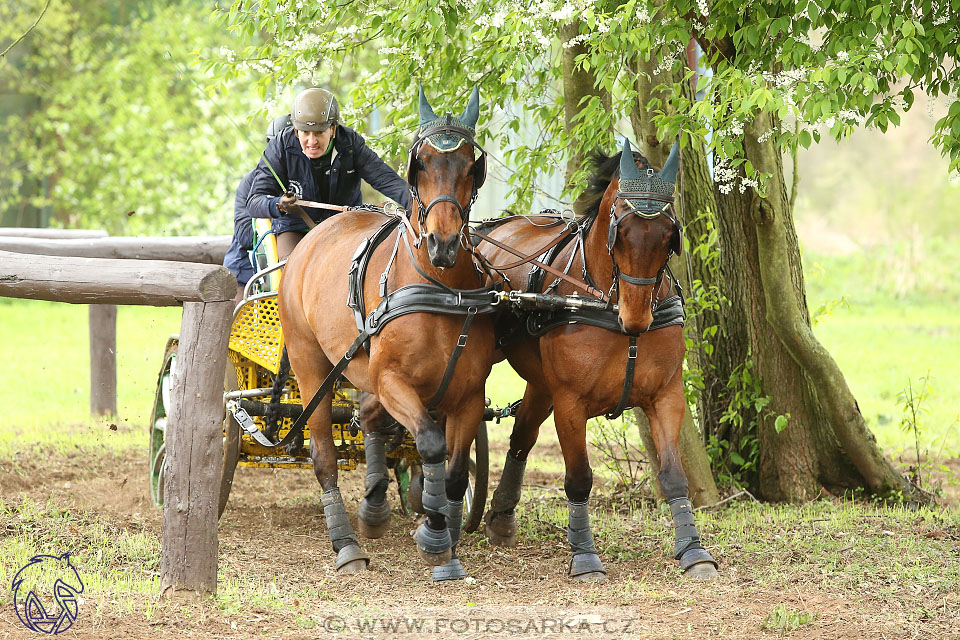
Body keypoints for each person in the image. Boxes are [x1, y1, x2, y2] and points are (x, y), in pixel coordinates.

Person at [246, 87, 411, 260]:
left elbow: (385, 180)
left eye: (319, 132)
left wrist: (417, 204)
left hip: (346, 227)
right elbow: (254, 201)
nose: (312, 141)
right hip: (295, 229)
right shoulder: (280, 146)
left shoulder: (351, 143)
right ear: (296, 131)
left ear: (332, 129)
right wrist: (278, 204)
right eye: (305, 133)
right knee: (290, 272)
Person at [223, 114, 291, 303]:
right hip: (246, 276)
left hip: (289, 273)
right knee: (238, 324)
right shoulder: (251, 183)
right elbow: (245, 234)